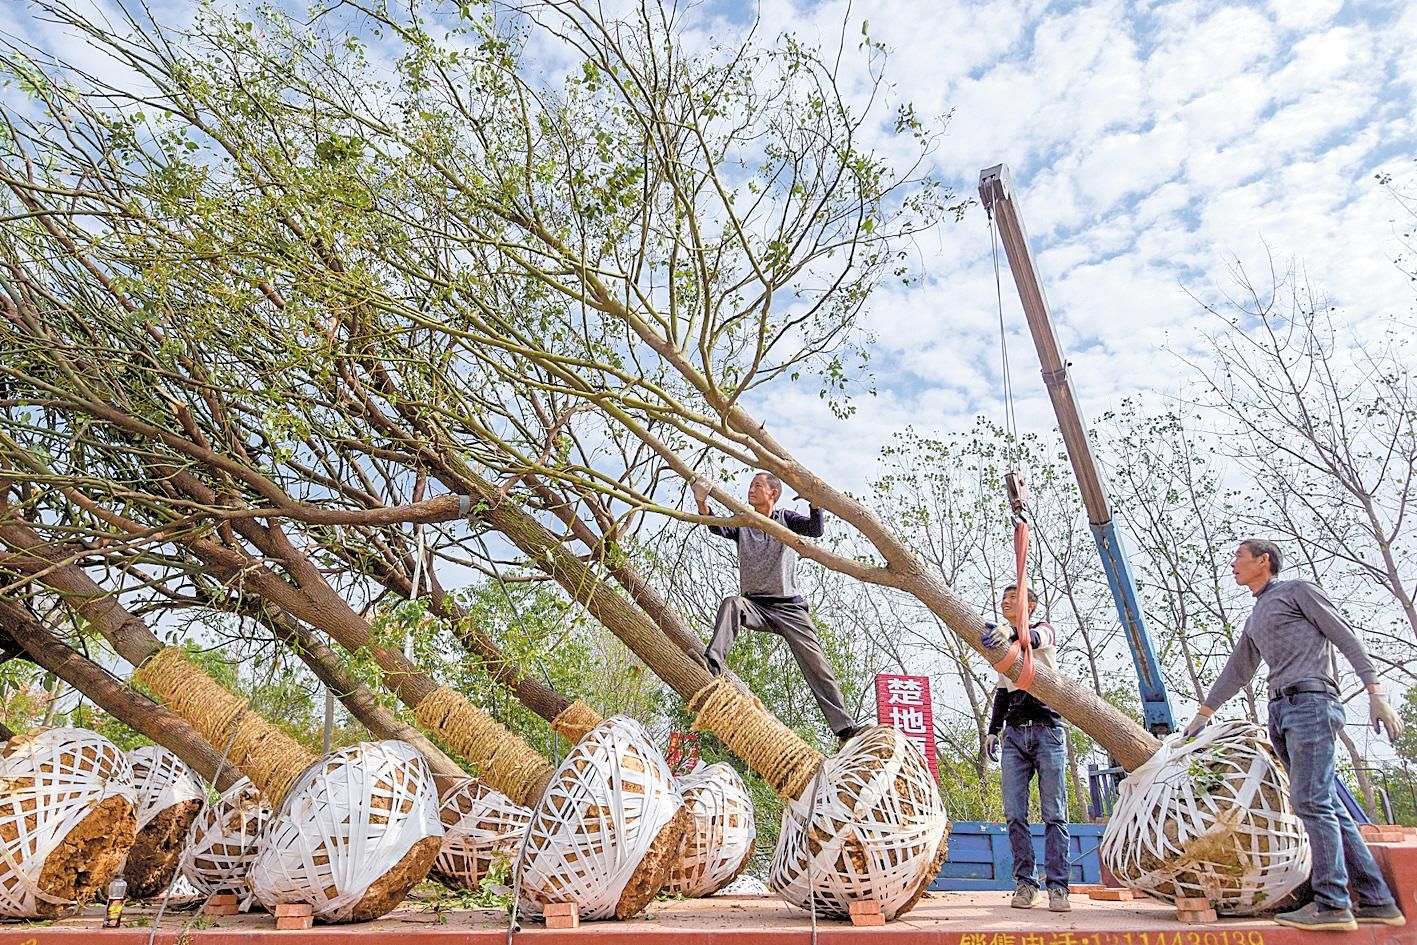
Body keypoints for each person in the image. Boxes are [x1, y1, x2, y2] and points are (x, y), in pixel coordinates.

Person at [1184, 539, 1406, 932]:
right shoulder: (1256, 616)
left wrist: (1376, 693)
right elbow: (1238, 669)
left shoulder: (1297, 591)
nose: (1233, 563)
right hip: (1281, 709)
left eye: (1239, 556)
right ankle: (1376, 900)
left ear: (1263, 561)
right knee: (1328, 805)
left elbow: (1345, 636)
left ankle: (1333, 904)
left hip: (1312, 703)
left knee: (1311, 800)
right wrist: (1203, 715)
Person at [693, 473, 861, 743]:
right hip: (755, 605)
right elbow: (717, 526)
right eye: (751, 485)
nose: (751, 489)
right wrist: (701, 500)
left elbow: (814, 530)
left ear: (773, 493)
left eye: (757, 486)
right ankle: (712, 663)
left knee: (817, 664)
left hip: (789, 609)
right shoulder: (744, 520)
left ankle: (844, 728)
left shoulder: (786, 519)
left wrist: (815, 505)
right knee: (732, 604)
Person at [983, 584, 1070, 913]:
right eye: (1003, 600)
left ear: (1030, 606)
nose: (1005, 603)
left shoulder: (1043, 631)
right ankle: (1026, 883)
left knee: (1054, 813)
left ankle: (1058, 887)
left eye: (1013, 599)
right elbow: (1003, 694)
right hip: (1015, 735)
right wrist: (993, 731)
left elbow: (1031, 640)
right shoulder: (1005, 651)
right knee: (1015, 813)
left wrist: (1009, 631)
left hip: (1048, 730)